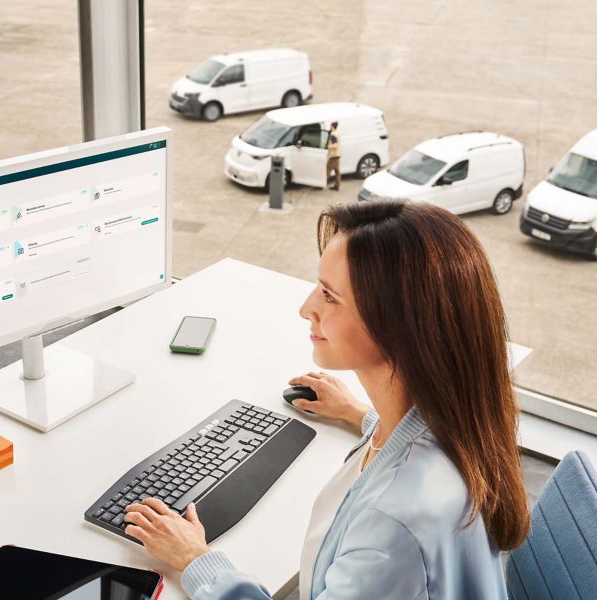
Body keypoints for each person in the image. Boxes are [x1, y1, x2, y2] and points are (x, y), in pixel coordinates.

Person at [123, 199, 530, 599]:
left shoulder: (394, 524)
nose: (306, 309)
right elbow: (411, 449)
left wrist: (197, 560)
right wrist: (360, 414)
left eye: (330, 297)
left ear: (400, 328)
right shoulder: (458, 418)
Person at [325, 121, 341, 191]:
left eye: (330, 126)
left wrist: (327, 146)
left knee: (328, 169)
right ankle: (337, 186)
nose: (329, 127)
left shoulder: (333, 134)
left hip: (334, 155)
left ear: (332, 126)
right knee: (337, 171)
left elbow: (335, 145)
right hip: (337, 154)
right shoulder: (337, 133)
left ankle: (322, 183)